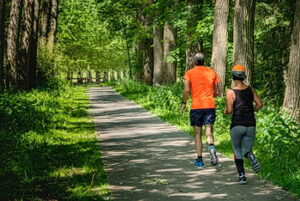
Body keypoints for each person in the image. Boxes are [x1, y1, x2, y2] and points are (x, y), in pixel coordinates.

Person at [224, 65, 263, 184]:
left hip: (237, 124)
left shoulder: (230, 92)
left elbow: (229, 110)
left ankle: (242, 176)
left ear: (233, 77)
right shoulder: (250, 89)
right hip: (251, 124)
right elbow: (260, 104)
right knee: (246, 149)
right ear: (243, 76)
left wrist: (224, 111)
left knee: (237, 149)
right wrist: (251, 110)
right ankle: (249, 155)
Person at [181, 52, 221, 168]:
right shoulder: (212, 72)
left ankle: (200, 160)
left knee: (197, 133)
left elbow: (186, 90)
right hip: (209, 105)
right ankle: (211, 147)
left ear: (193, 61)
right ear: (204, 61)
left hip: (196, 106)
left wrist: (184, 102)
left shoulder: (189, 73)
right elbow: (218, 92)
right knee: (209, 131)